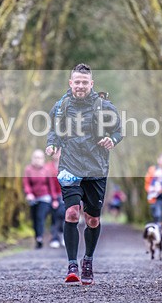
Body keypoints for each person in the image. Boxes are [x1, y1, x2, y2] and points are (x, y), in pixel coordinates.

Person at [46, 63, 123, 285]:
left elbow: (118, 131)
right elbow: (55, 132)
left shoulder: (105, 107)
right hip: (69, 167)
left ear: (91, 84)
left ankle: (87, 260)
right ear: (71, 83)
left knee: (92, 219)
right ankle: (72, 264)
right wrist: (52, 145)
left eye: (84, 82)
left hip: (96, 168)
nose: (80, 86)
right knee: (71, 213)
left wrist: (112, 139)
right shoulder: (60, 107)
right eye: (76, 82)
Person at [23, 149, 58, 249]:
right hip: (33, 197)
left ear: (43, 159)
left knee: (40, 217)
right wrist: (29, 194)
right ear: (32, 158)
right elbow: (26, 183)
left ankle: (40, 238)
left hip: (45, 197)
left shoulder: (46, 170)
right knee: (34, 219)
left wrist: (54, 199)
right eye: (36, 157)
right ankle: (37, 237)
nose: (38, 160)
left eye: (40, 157)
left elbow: (51, 185)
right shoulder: (28, 169)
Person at [46, 150, 65, 248]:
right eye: (55, 152)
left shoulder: (67, 165)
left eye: (59, 151)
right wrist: (54, 199)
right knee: (55, 217)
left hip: (65, 195)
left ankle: (63, 236)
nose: (57, 154)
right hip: (53, 196)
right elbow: (50, 185)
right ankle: (54, 238)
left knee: (64, 216)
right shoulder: (48, 167)